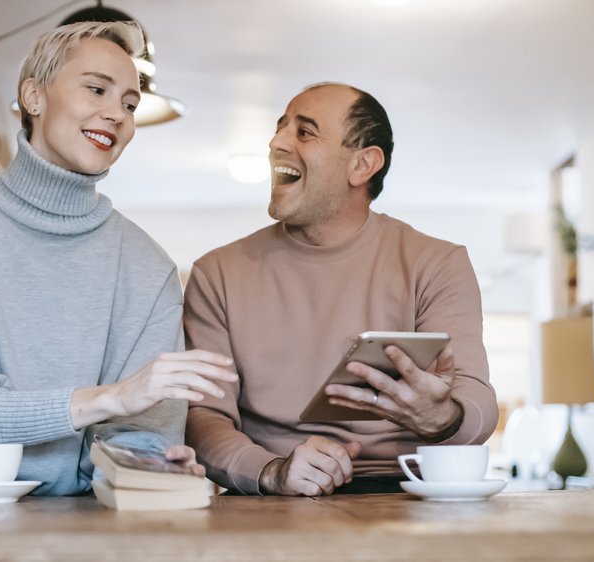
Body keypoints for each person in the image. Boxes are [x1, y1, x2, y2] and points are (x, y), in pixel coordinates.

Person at [0, 21, 235, 496]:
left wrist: (152, 465)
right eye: (97, 90)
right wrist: (108, 399)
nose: (117, 115)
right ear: (33, 96)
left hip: (85, 525)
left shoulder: (148, 268)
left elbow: (140, 432)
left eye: (130, 104)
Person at [183, 82, 498, 496]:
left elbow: (476, 402)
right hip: (272, 495)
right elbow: (203, 418)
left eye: (304, 131)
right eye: (280, 128)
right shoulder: (216, 273)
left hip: (408, 494)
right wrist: (273, 471)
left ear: (363, 165)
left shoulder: (438, 263)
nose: (276, 142)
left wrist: (440, 417)